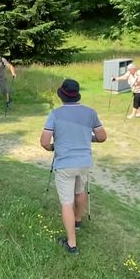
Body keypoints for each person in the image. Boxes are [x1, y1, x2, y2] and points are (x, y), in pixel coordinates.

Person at [40, 79, 107, 255]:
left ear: (62, 96)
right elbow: (102, 137)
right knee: (80, 191)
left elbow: (44, 142)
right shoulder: (90, 113)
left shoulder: (55, 114)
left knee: (66, 203)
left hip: (65, 164)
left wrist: (53, 147)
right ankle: (77, 221)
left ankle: (71, 244)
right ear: (77, 95)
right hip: (84, 162)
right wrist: (87, 138)